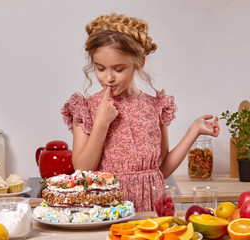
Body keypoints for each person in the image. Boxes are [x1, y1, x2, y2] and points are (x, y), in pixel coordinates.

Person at [61, 13, 220, 211]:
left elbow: (160, 170)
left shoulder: (155, 107)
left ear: (140, 62)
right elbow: (83, 171)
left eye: (119, 69)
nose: (108, 77)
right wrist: (101, 122)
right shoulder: (86, 108)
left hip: (150, 208)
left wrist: (193, 131)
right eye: (100, 68)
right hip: (107, 210)